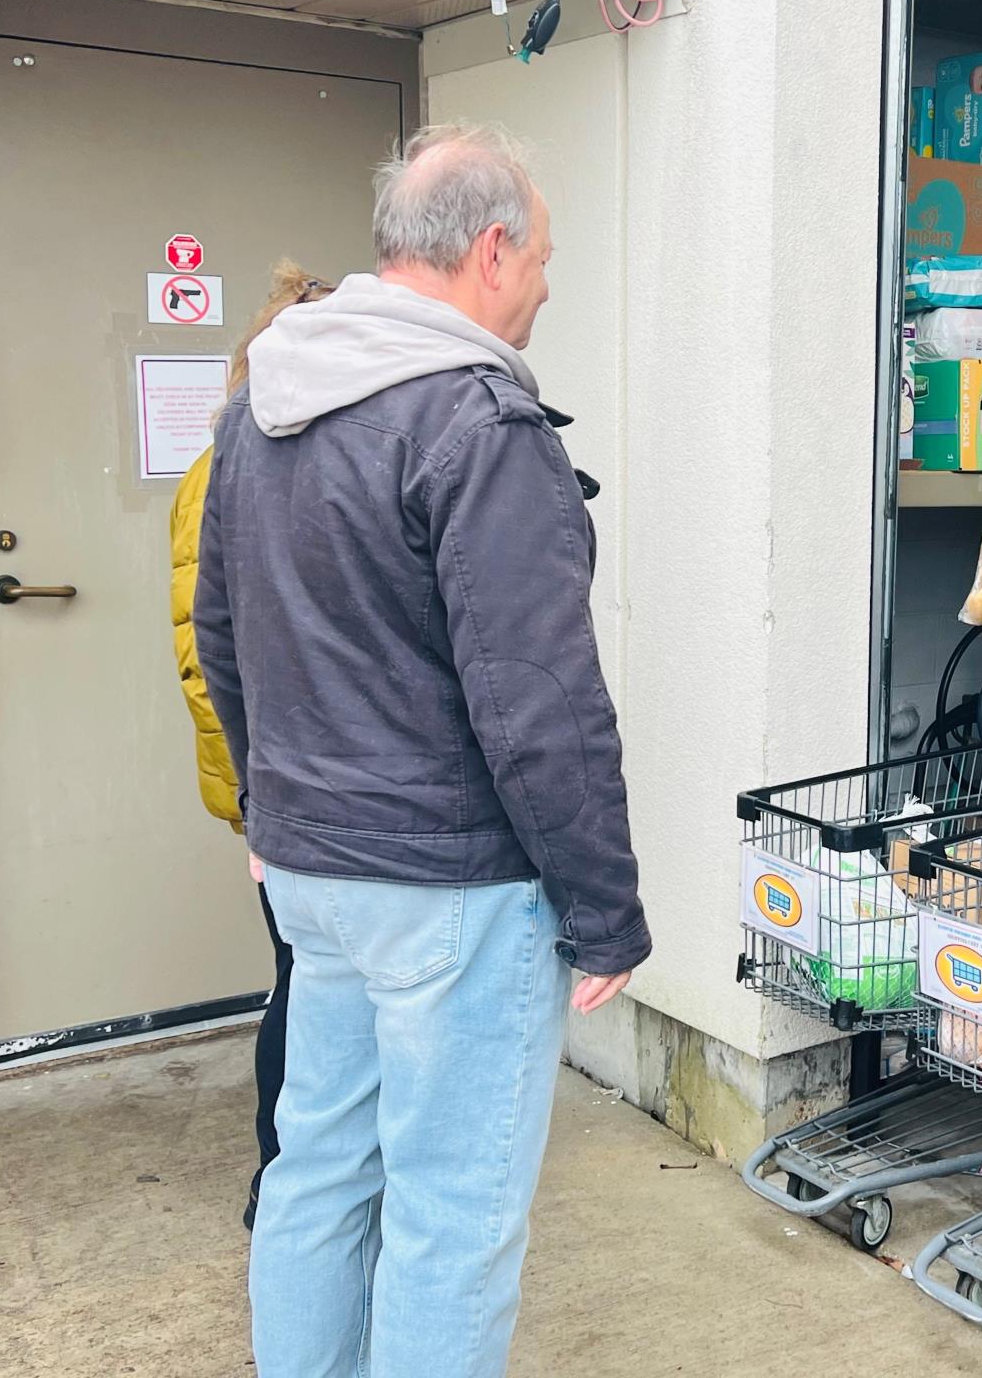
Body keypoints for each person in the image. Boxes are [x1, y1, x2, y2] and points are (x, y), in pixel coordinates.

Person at [194, 123, 650, 1377]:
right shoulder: (476, 420)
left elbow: (220, 629)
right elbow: (538, 701)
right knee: (452, 1218)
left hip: (314, 877)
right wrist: (606, 910)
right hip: (451, 888)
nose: (548, 283)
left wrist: (262, 817)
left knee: (317, 1174)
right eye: (545, 256)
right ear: (491, 248)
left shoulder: (264, 404)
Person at [170, 261, 336, 1234]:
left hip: (310, 784)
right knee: (304, 983)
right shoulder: (226, 468)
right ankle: (281, 1177)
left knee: (320, 982)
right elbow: (206, 658)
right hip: (275, 790)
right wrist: (255, 803)